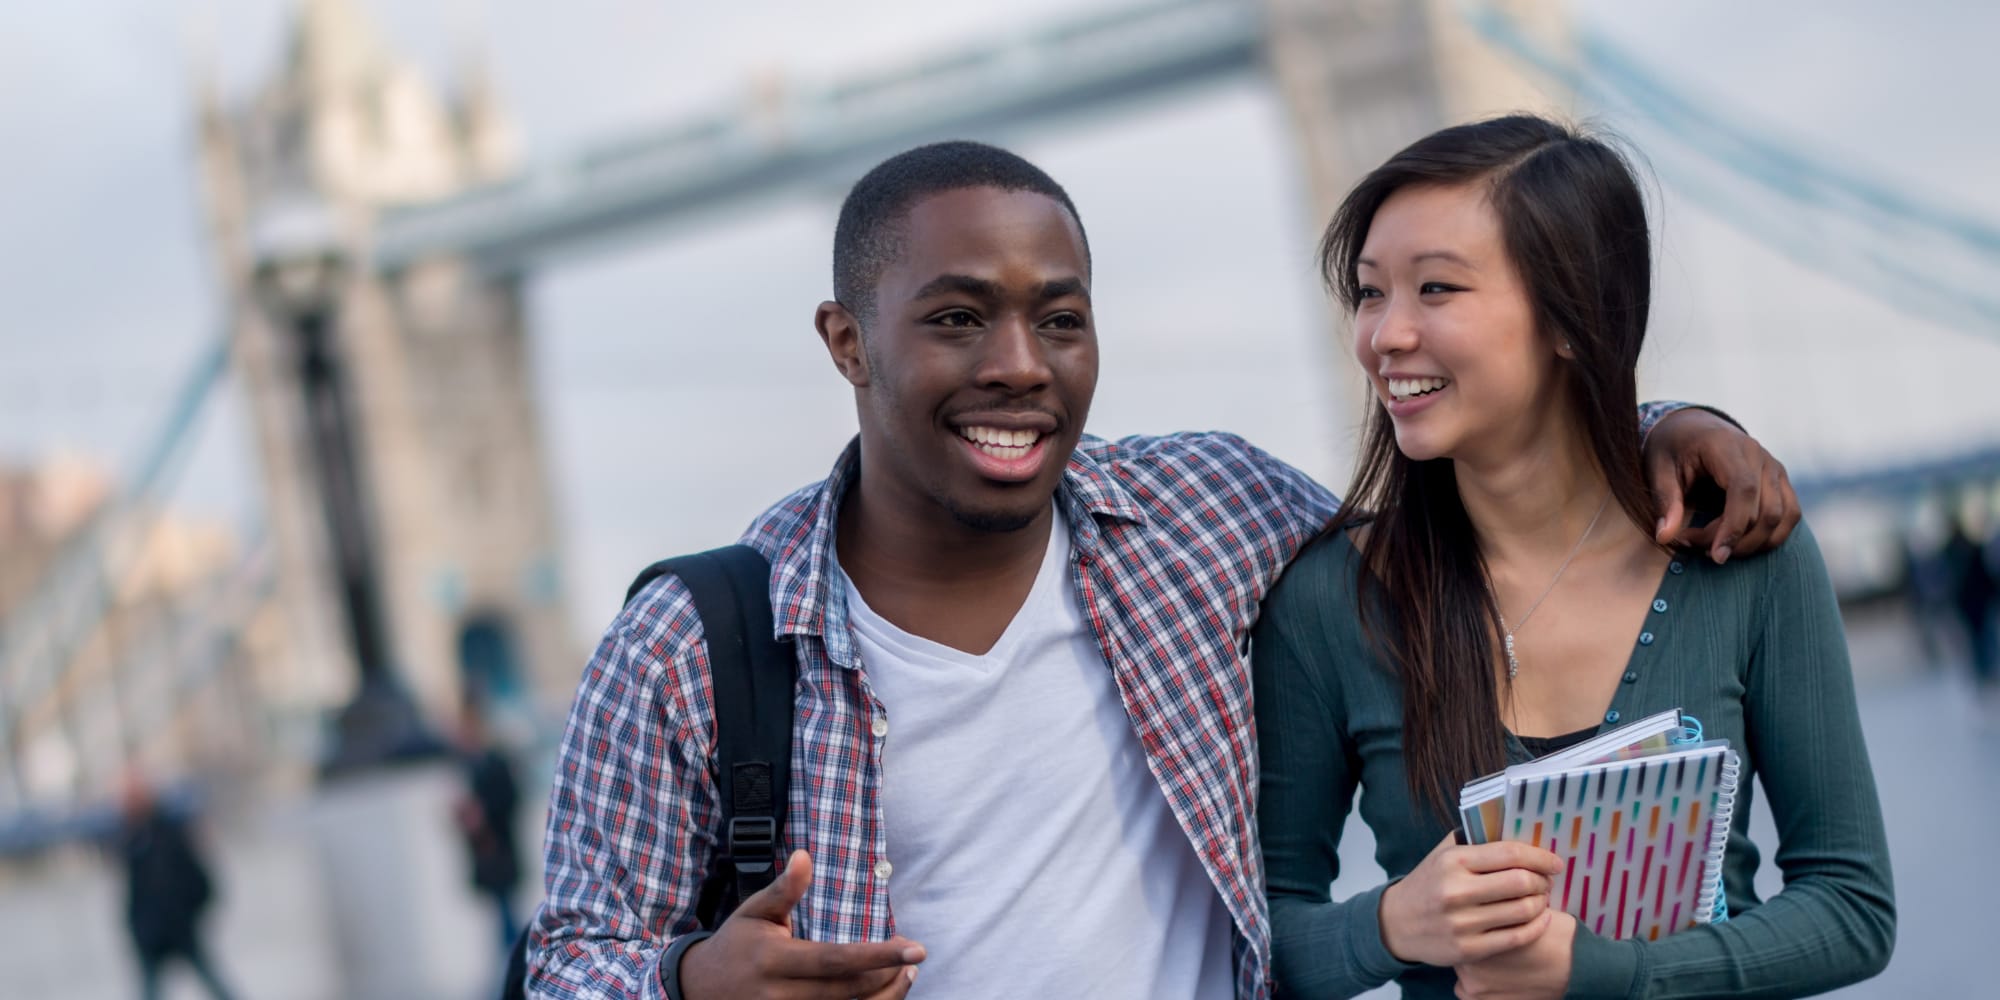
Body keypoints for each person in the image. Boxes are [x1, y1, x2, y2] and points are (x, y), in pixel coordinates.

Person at [526, 139, 1801, 1000]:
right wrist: (688, 979)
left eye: (1061, 318)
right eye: (957, 317)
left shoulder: (1208, 515)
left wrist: (1655, 428)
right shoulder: (692, 643)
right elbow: (570, 956)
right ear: (847, 342)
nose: (1021, 362)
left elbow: (1471, 511)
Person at [1254, 115, 1894, 999]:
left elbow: (1853, 909)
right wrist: (1394, 923)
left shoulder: (1740, 555)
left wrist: (1610, 974)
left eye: (1436, 289)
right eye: (1370, 293)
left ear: (1571, 315)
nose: (1385, 336)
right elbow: (1261, 937)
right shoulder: (1331, 601)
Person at [116, 774, 239, 1000]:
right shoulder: (131, 838)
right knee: (151, 991)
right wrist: (136, 926)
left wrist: (188, 914)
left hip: (178, 928)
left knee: (213, 982)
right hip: (151, 934)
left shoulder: (167, 832)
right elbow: (134, 892)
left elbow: (198, 879)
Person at [452, 698, 525, 956]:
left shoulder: (493, 761)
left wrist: (483, 812)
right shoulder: (470, 765)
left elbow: (509, 799)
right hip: (486, 851)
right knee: (502, 913)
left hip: (499, 848)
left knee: (506, 913)